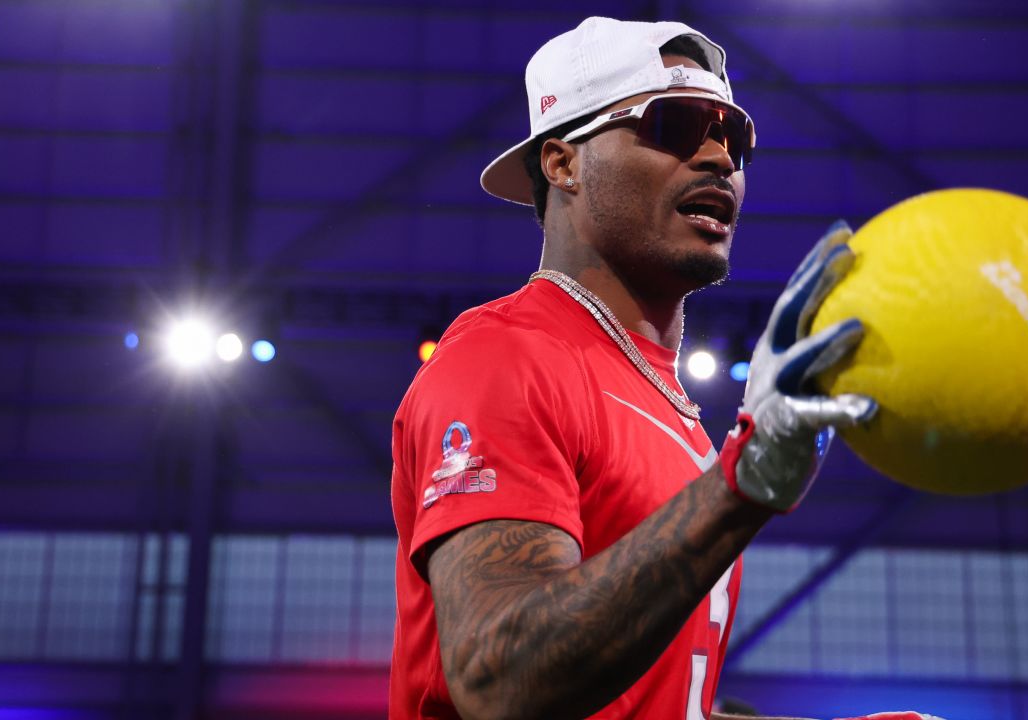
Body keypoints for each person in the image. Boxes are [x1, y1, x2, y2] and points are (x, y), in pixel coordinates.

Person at [390, 16, 943, 720]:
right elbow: (501, 680)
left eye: (733, 137)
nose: (720, 158)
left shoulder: (671, 411)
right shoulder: (504, 357)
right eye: (678, 126)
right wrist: (742, 485)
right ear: (564, 162)